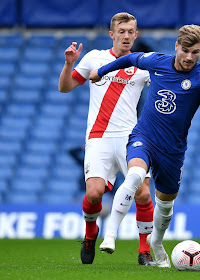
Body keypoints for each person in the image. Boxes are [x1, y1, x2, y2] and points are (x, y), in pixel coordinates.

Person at [89, 24, 200, 267]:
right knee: (134, 176)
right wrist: (101, 70)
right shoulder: (157, 62)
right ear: (177, 47)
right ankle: (110, 235)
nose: (189, 57)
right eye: (185, 50)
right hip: (144, 137)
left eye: (195, 52)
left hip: (173, 151)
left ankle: (156, 242)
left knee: (165, 206)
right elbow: (130, 59)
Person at [58, 12, 156, 266]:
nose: (126, 36)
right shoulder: (94, 58)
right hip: (99, 138)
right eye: (121, 31)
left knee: (143, 194)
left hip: (130, 139)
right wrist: (69, 64)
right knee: (94, 194)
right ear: (112, 34)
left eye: (130, 31)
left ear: (136, 35)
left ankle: (144, 250)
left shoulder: (143, 64)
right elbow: (65, 87)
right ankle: (90, 236)